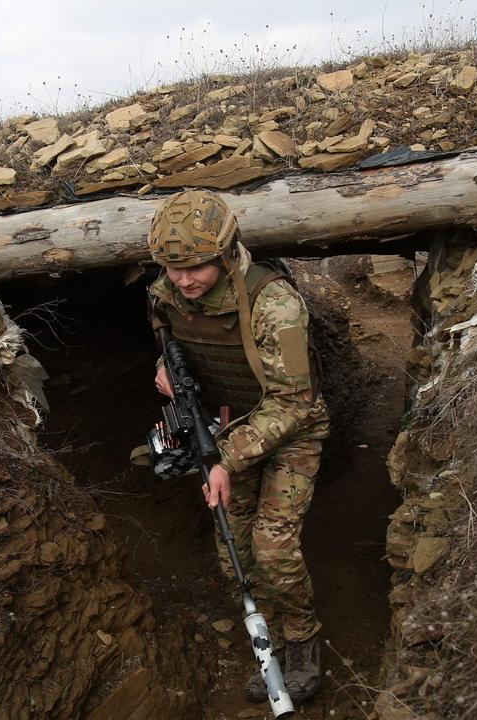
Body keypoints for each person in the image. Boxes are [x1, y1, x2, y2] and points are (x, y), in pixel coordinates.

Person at [145, 189, 330, 705]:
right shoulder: (165, 294)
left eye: (197, 266)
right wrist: (164, 374)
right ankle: (264, 636)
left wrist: (223, 460)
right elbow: (169, 347)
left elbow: (294, 404)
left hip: (293, 431)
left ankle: (301, 641)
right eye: (173, 268)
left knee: (273, 548)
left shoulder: (275, 303)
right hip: (226, 430)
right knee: (234, 552)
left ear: (226, 252)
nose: (185, 280)